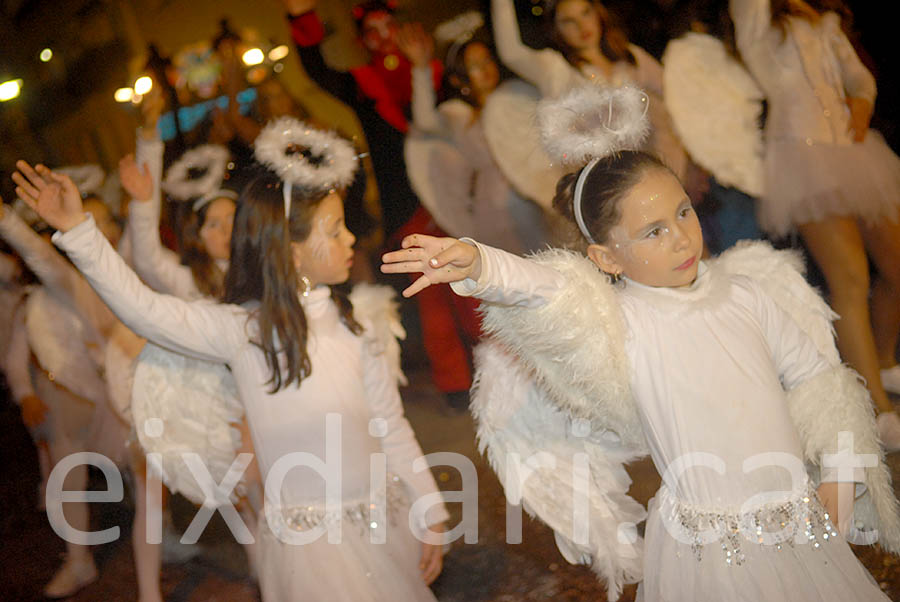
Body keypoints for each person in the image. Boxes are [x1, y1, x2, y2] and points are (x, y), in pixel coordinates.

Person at [382, 85, 900, 601]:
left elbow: (820, 379)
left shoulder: (748, 293)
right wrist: (481, 263)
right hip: (712, 549)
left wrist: (841, 469)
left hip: (798, 521)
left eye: (682, 213)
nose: (679, 236)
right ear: (606, 258)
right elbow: (547, 290)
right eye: (652, 231)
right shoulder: (621, 322)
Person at [13, 119, 449, 601]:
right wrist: (79, 231)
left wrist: (429, 511)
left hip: (384, 524)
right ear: (290, 248)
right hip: (314, 552)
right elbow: (144, 308)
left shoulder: (353, 326)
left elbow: (391, 423)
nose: (351, 239)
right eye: (335, 228)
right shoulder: (242, 330)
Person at [730, 0, 900, 447]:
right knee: (849, 276)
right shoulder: (758, 19)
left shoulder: (824, 21)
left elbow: (859, 77)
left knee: (897, 266)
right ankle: (877, 409)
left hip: (852, 151)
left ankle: (881, 362)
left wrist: (860, 104)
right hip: (800, 157)